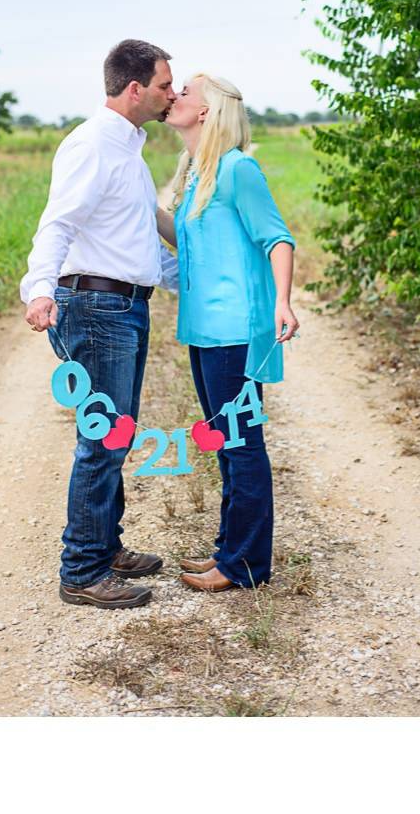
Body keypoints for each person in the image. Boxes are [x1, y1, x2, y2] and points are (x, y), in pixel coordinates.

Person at [19, 39, 180, 610]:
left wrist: (198, 277)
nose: (172, 93)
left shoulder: (129, 151)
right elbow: (56, 225)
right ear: (135, 89)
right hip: (95, 308)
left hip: (126, 305)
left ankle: (104, 545)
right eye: (165, 84)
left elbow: (136, 242)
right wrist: (40, 290)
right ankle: (82, 571)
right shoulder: (91, 145)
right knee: (103, 441)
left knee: (119, 435)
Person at [154, 73, 297, 592]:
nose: (175, 97)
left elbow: (277, 239)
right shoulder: (196, 174)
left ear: (208, 111)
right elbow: (186, 240)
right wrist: (141, 205)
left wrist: (283, 302)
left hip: (236, 330)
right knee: (225, 444)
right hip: (203, 330)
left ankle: (245, 567)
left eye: (186, 91)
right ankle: (228, 552)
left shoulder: (238, 169)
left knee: (241, 445)